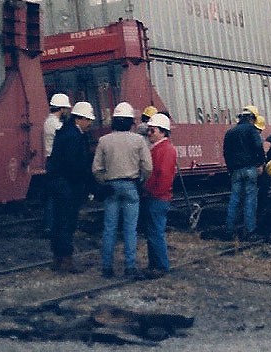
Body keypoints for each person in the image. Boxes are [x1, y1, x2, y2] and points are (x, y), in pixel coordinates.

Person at [91, 101, 153, 278]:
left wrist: (105, 182)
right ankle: (130, 266)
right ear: (131, 122)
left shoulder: (104, 141)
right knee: (130, 228)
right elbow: (148, 167)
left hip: (111, 187)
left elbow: (96, 169)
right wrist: (140, 181)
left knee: (109, 228)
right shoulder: (139, 140)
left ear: (114, 120)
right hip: (131, 185)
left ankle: (107, 267)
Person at [47, 101, 97, 273]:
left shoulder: (65, 133)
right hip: (68, 186)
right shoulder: (74, 137)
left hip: (59, 184)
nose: (90, 123)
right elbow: (75, 165)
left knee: (59, 221)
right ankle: (65, 259)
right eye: (88, 119)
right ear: (79, 119)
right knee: (67, 222)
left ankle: (58, 257)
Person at [222, 105, 266, 239]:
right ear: (252, 118)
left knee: (234, 199)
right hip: (250, 168)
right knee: (250, 200)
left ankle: (229, 229)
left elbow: (226, 153)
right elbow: (258, 147)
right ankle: (250, 230)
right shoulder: (252, 130)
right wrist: (260, 163)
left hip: (235, 170)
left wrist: (230, 169)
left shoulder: (230, 132)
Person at [142, 112, 176, 277]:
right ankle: (155, 264)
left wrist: (152, 192)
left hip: (158, 197)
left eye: (152, 131)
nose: (149, 134)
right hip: (155, 196)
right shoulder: (159, 148)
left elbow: (163, 176)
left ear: (163, 131)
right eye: (148, 130)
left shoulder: (165, 150)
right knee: (153, 232)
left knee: (155, 232)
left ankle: (161, 266)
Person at [42, 93, 72, 234]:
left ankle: (49, 226)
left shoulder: (48, 122)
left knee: (52, 196)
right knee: (61, 195)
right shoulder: (57, 125)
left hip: (50, 161)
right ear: (61, 109)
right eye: (66, 108)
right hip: (58, 161)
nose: (67, 111)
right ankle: (57, 226)